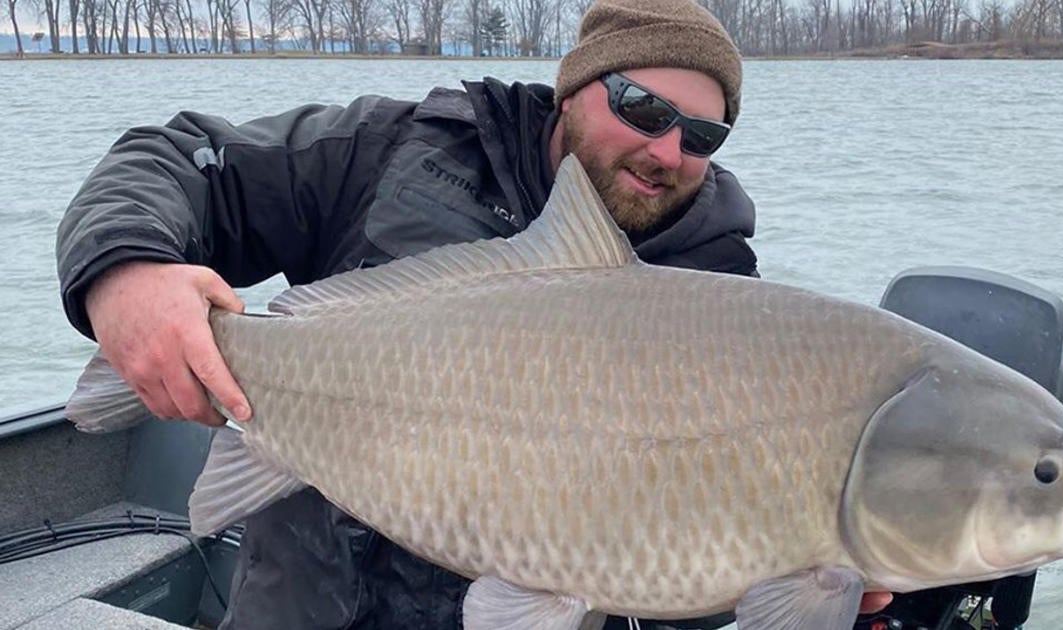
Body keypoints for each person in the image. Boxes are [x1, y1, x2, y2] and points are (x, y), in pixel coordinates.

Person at [56, 0, 892, 627]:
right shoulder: (393, 151)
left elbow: (689, 567)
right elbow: (177, 160)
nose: (667, 151)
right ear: (574, 90)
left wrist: (809, 570)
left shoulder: (722, 300)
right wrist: (127, 275)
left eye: (702, 136)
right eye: (643, 109)